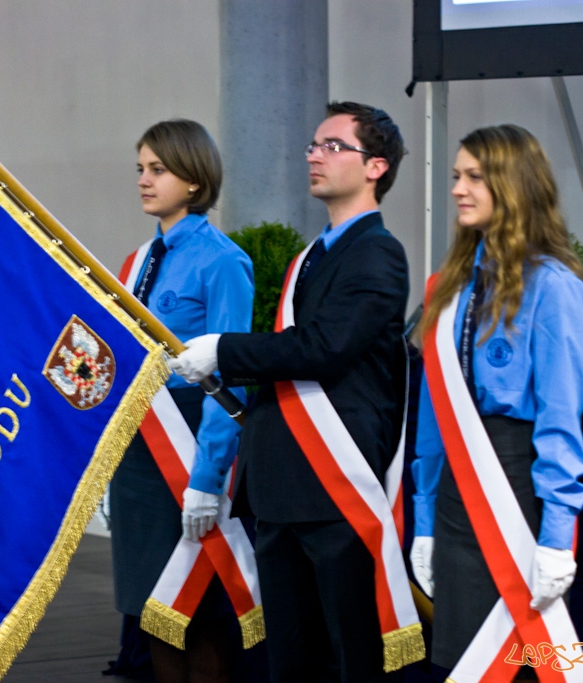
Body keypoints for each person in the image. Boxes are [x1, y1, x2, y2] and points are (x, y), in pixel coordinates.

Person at [170, 102, 423, 682]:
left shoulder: (378, 253)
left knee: (349, 656)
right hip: (284, 484)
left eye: (333, 146)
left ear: (376, 166)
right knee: (291, 658)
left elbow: (324, 347)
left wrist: (225, 351)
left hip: (334, 488)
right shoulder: (315, 255)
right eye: (313, 144)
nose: (313, 155)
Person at [409, 124, 583, 679]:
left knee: (514, 661)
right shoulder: (450, 287)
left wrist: (556, 537)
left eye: (474, 176)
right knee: (457, 660)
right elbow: (432, 416)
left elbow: (560, 422)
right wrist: (423, 520)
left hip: (519, 488)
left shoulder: (554, 287)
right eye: (455, 177)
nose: (457, 189)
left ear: (513, 185)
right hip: (455, 491)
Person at [108, 119, 256, 683]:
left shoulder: (223, 261)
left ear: (194, 181)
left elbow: (229, 377)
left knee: (199, 608)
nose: (145, 180)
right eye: (141, 169)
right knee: (152, 608)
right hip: (140, 447)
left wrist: (209, 476)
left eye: (159, 170)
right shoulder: (135, 261)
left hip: (190, 444)